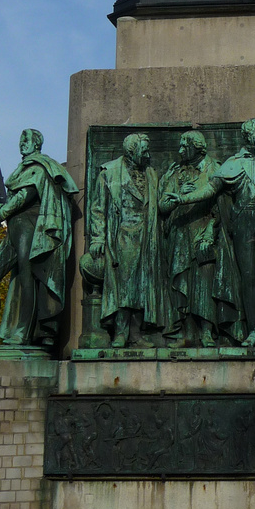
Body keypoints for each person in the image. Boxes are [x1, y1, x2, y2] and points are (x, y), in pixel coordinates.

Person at [174, 118, 255, 347]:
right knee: (247, 278)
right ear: (248, 137)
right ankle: (254, 330)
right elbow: (210, 189)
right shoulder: (234, 162)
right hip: (243, 222)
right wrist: (183, 198)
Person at [0, 129, 78, 349]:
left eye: (27, 140)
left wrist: (1, 212)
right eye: (20, 140)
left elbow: (25, 196)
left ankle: (23, 333)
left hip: (30, 229)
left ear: (37, 144)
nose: (22, 144)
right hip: (14, 232)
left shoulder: (39, 168)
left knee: (27, 280)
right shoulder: (23, 168)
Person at [158, 130, 244, 347]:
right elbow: (162, 205)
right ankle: (187, 332)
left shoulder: (215, 169)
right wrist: (176, 194)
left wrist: (210, 232)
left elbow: (225, 206)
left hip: (206, 234)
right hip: (179, 235)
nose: (179, 151)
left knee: (205, 282)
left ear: (197, 147)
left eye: (183, 147)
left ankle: (207, 331)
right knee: (182, 282)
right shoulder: (176, 174)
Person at [87, 132, 169, 348]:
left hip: (147, 235)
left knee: (143, 287)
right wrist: (97, 238)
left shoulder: (151, 174)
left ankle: (136, 333)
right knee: (124, 287)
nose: (148, 155)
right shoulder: (110, 173)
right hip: (122, 235)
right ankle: (121, 333)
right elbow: (97, 209)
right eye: (144, 151)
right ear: (132, 152)